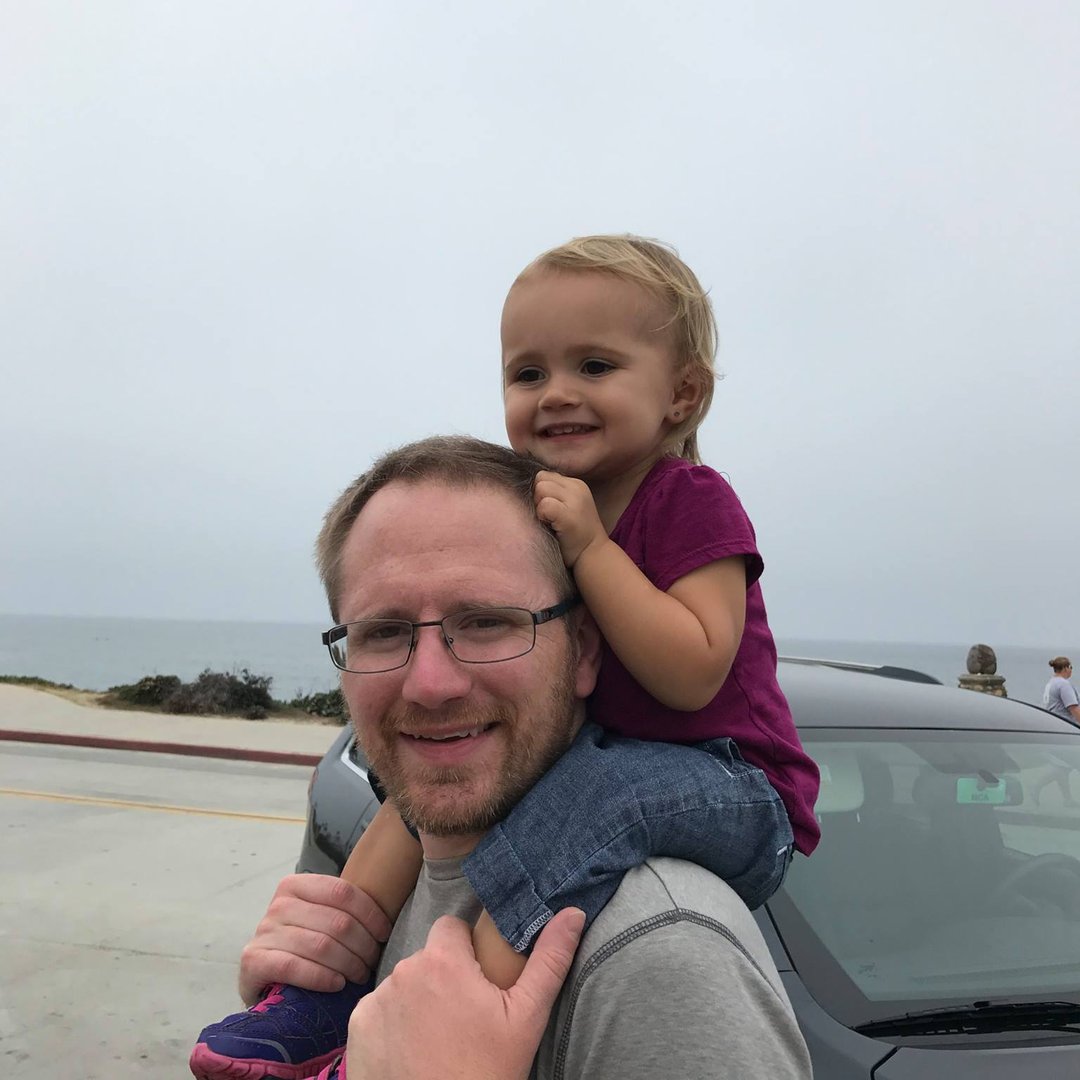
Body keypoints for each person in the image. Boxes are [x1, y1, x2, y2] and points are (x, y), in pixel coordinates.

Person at [191, 236, 819, 1078]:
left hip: (734, 781)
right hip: (621, 758)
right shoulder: (542, 513)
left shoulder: (689, 500)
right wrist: (307, 948)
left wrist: (593, 549)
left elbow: (695, 669)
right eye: (528, 374)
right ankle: (327, 986)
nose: (556, 393)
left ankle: (467, 990)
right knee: (404, 807)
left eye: (595, 365)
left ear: (682, 393)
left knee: (600, 797)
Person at [1033, 656, 1080, 807]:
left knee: (1061, 766)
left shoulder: (1051, 683)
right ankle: (1035, 787)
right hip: (1066, 729)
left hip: (1054, 727)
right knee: (1069, 763)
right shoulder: (1064, 685)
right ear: (1066, 668)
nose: (1071, 671)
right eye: (1071, 668)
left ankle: (1066, 799)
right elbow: (1073, 708)